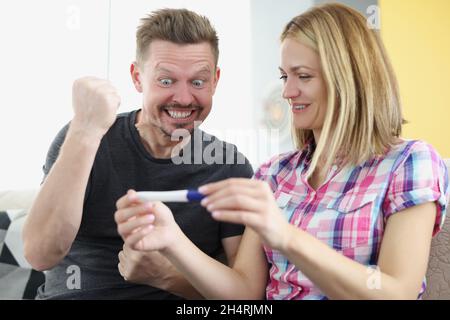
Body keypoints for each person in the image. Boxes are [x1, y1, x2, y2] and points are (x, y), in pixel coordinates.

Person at [115, 3, 449, 300]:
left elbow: (396, 292)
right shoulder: (276, 173)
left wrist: (287, 237)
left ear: (350, 78)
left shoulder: (409, 163)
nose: (287, 92)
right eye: (284, 75)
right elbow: (245, 294)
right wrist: (173, 240)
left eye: (302, 76)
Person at [22, 8, 253, 299]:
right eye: (166, 81)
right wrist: (84, 131)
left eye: (197, 82)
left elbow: (245, 298)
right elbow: (40, 254)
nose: (183, 98)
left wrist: (167, 277)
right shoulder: (86, 135)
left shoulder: (230, 168)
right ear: (137, 77)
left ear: (215, 80)